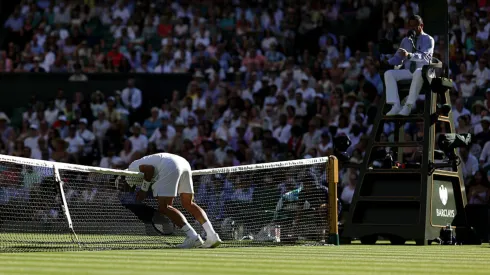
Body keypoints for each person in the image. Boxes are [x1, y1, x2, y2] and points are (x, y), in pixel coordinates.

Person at [118, 152, 222, 249]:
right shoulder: (136, 173)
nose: (123, 189)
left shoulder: (130, 172)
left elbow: (149, 170)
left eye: (121, 187)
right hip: (183, 163)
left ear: (122, 180)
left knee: (164, 207)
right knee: (188, 203)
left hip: (169, 165)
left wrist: (144, 190)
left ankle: (193, 237)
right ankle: (212, 235)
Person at [384, 15, 435, 116]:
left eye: (415, 26)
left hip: (424, 72)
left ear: (421, 26)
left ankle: (408, 106)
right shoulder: (405, 40)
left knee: (418, 72)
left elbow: (425, 57)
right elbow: (398, 58)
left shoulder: (429, 39)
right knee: (389, 73)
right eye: (410, 26)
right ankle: (395, 105)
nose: (412, 29)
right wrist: (387, 61)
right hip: (409, 71)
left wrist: (409, 55)